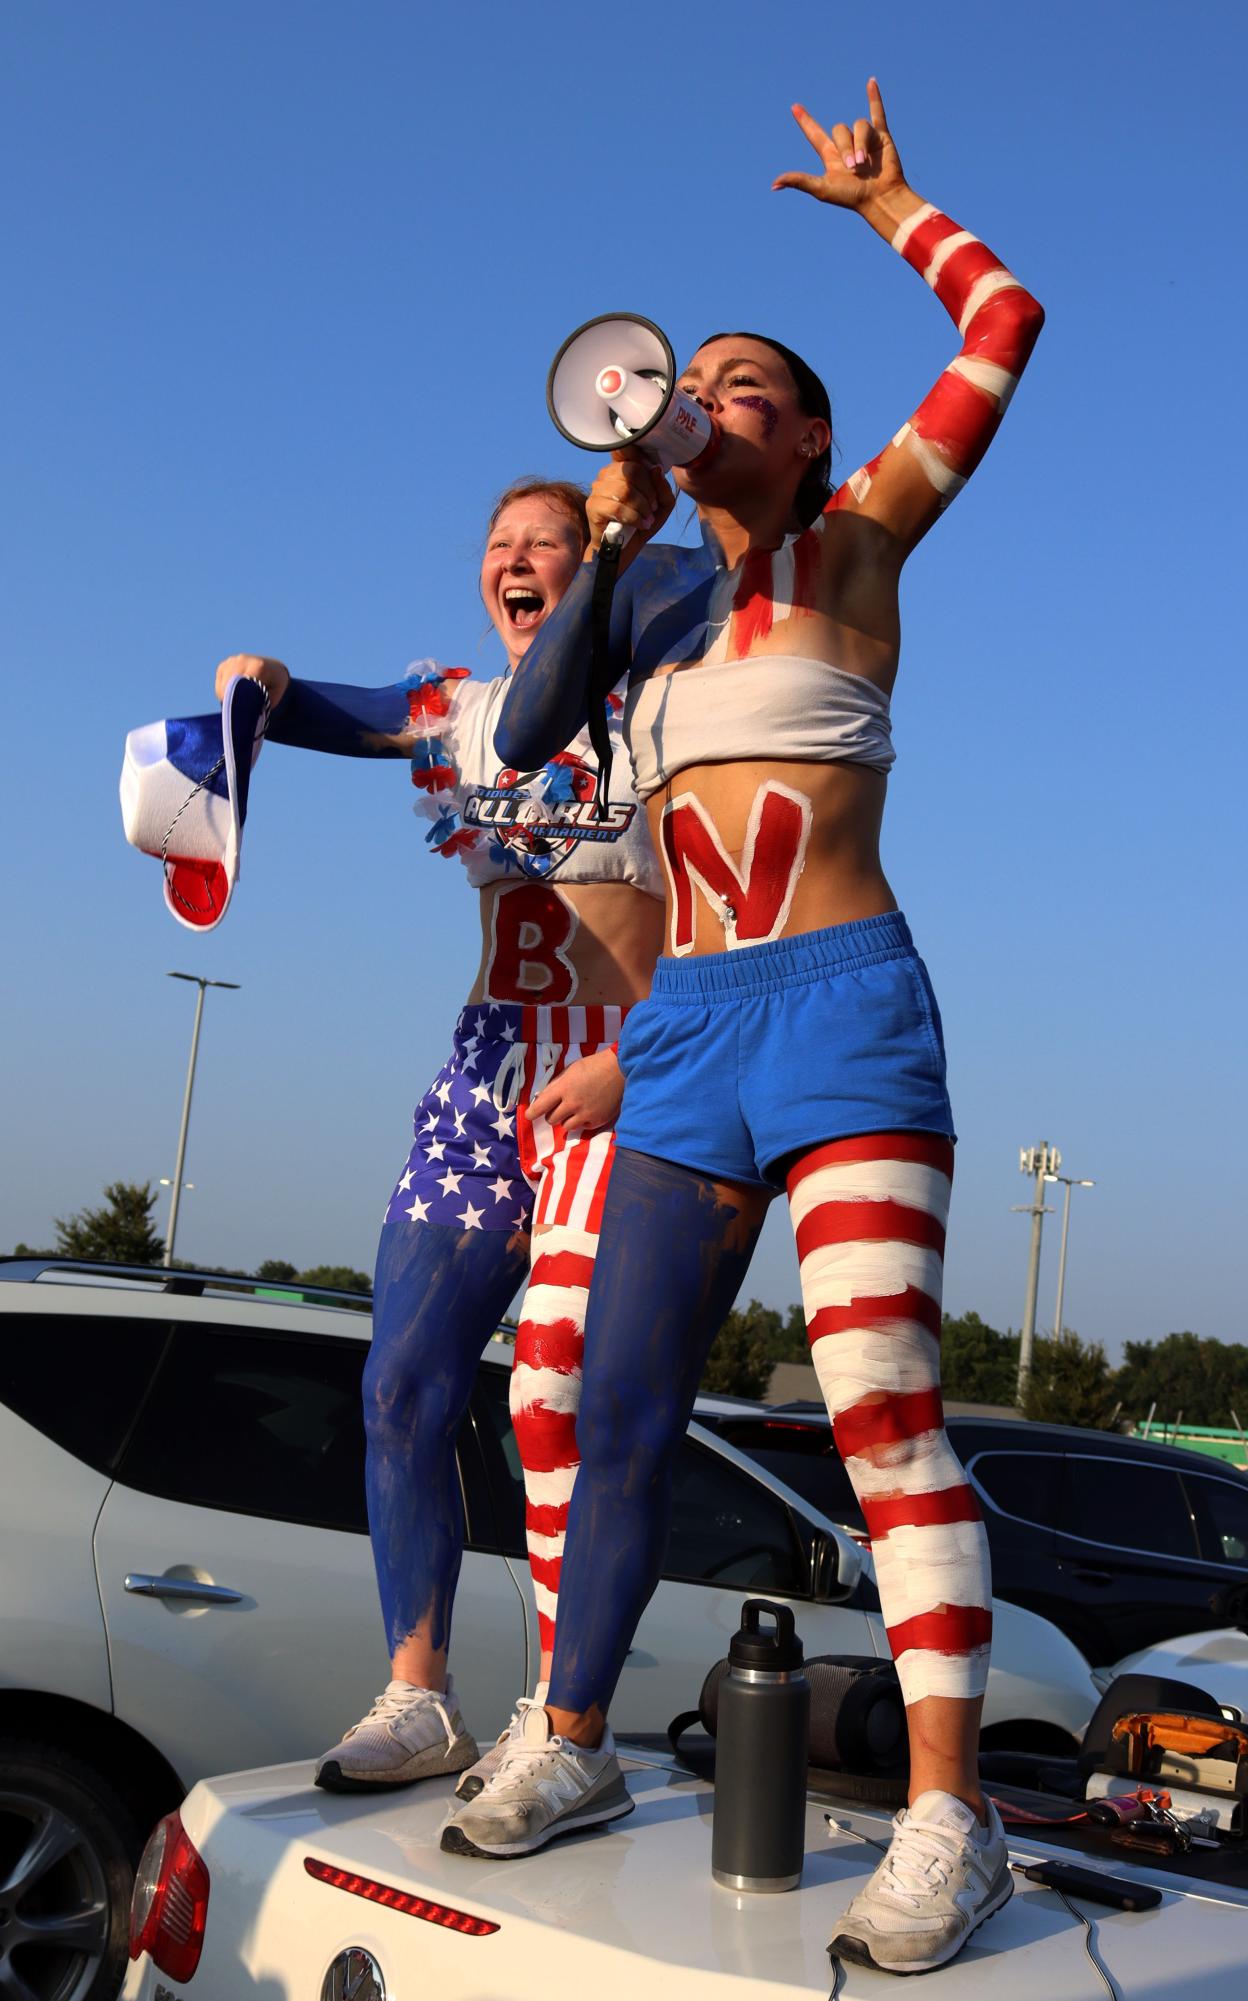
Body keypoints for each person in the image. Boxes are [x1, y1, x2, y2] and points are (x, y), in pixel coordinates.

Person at [443, 83, 1045, 1976]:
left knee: (877, 1400)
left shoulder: (862, 539)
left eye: (736, 387)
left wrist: (891, 203)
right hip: (691, 1031)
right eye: (678, 378)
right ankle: (577, 1737)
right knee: (611, 1409)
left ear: (809, 437)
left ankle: (957, 1811)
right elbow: (530, 732)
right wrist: (609, 544)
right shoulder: (668, 608)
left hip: (847, 1016)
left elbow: (1006, 322)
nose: (693, 396)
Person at [214, 477, 663, 1798]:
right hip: (488, 1067)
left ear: (598, 568)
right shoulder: (466, 715)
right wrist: (256, 681)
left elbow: (735, 907)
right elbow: (308, 708)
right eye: (499, 547)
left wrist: (636, 1062)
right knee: (401, 1385)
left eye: (548, 545)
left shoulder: (662, 713)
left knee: (554, 1392)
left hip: (615, 1061)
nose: (517, 562)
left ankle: (561, 1722)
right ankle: (419, 1695)